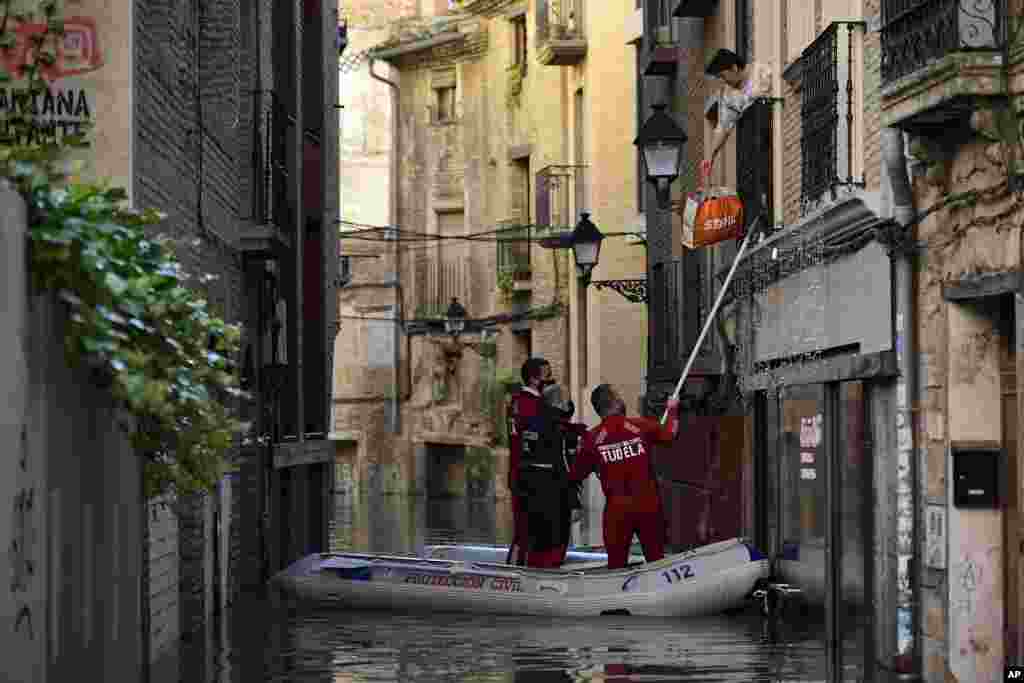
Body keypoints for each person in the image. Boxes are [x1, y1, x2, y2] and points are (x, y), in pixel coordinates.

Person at [568, 384, 680, 570]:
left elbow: (576, 474)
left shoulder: (592, 438)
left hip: (617, 511)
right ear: (614, 402)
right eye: (618, 395)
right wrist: (672, 409)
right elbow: (670, 434)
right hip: (648, 506)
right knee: (657, 562)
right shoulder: (639, 426)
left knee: (616, 565)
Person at [701, 48, 773, 184]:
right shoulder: (729, 96)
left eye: (723, 76)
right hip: (754, 153)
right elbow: (723, 127)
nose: (724, 81)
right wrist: (710, 157)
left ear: (734, 68)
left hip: (771, 140)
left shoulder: (761, 72)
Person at [506, 357, 552, 565]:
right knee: (528, 528)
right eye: (547, 374)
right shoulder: (533, 403)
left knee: (522, 527)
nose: (551, 379)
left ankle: (517, 566)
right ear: (534, 379)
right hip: (529, 474)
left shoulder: (516, 400)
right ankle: (520, 572)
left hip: (519, 471)